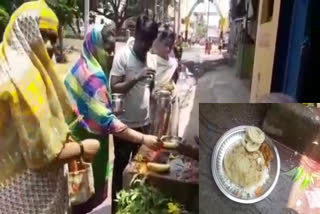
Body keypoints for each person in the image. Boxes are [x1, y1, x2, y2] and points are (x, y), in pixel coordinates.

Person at [0, 1, 100, 213]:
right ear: (23, 31)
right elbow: (42, 155)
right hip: (29, 198)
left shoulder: (16, 70)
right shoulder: (21, 80)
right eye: (41, 34)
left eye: (53, 39)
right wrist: (82, 148)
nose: (47, 45)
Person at [64, 23, 162, 214]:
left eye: (112, 50)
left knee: (84, 197)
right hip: (82, 147)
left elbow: (96, 110)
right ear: (93, 45)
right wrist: (144, 138)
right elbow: (106, 121)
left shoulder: (85, 66)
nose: (110, 55)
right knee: (80, 197)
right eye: (106, 50)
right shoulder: (91, 75)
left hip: (91, 144)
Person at [110, 13, 159, 210]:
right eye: (143, 41)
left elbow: (151, 88)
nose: (145, 46)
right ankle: (116, 209)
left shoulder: (152, 60)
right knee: (122, 170)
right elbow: (114, 87)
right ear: (136, 35)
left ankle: (135, 208)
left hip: (144, 124)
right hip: (124, 126)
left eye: (150, 42)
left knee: (142, 171)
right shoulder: (123, 56)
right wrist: (136, 77)